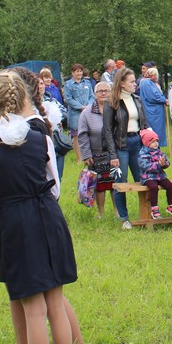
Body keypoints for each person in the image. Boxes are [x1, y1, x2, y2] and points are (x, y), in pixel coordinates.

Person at [0, 71, 82, 344]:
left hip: (16, 223)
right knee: (55, 304)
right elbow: (55, 188)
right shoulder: (41, 138)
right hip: (48, 217)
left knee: (33, 309)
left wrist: (3, 190)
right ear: (22, 101)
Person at [104, 67, 149, 230]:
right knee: (120, 181)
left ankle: (146, 213)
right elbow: (107, 130)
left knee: (143, 178)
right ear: (122, 84)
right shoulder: (111, 103)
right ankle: (124, 218)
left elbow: (144, 123)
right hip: (120, 146)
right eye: (131, 82)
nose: (135, 84)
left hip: (137, 142)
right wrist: (113, 154)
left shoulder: (137, 99)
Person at [77, 81, 116, 219]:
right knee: (100, 186)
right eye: (100, 91)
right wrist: (86, 154)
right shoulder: (87, 112)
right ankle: (101, 213)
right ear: (95, 94)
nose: (103, 93)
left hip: (113, 154)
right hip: (95, 155)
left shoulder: (114, 109)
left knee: (115, 184)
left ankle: (118, 212)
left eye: (106, 90)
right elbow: (82, 135)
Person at [138, 128, 172, 219]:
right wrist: (158, 164)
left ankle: (171, 205)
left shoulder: (160, 152)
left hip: (160, 176)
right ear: (147, 143)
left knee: (169, 185)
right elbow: (145, 167)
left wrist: (165, 164)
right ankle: (154, 209)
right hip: (148, 177)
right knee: (153, 187)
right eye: (153, 141)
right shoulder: (143, 154)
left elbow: (167, 162)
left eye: (157, 141)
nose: (156, 143)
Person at [64, 64, 93, 161]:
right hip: (75, 113)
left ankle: (89, 155)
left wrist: (88, 106)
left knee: (89, 133)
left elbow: (92, 96)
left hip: (88, 111)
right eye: (77, 71)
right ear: (73, 73)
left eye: (80, 71)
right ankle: (79, 158)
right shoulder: (68, 84)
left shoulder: (87, 83)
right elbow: (68, 99)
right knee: (76, 135)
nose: (79, 73)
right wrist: (80, 107)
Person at [137, 67, 169, 148]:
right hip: (153, 112)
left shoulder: (147, 82)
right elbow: (153, 96)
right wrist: (164, 100)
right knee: (154, 132)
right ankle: (154, 149)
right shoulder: (147, 83)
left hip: (153, 111)